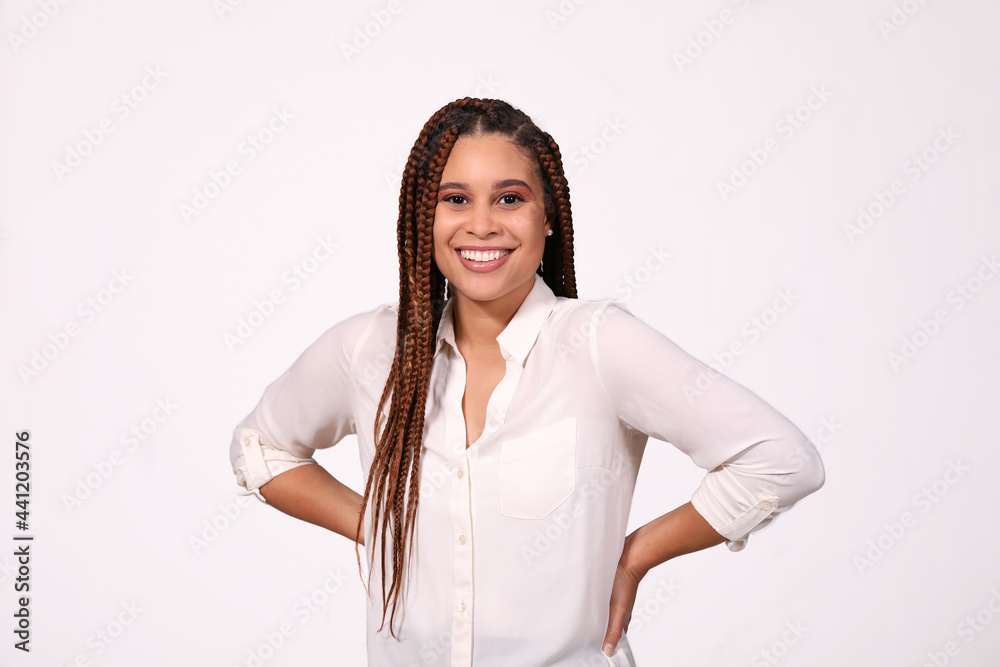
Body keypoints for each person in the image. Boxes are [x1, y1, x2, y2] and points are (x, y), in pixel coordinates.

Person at [229, 98, 825, 666]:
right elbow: (260, 448)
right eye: (455, 199)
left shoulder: (598, 344)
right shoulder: (370, 348)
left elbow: (782, 460)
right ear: (423, 218)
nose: (481, 225)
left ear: (548, 217)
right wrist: (383, 525)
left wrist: (636, 556)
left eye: (509, 198)